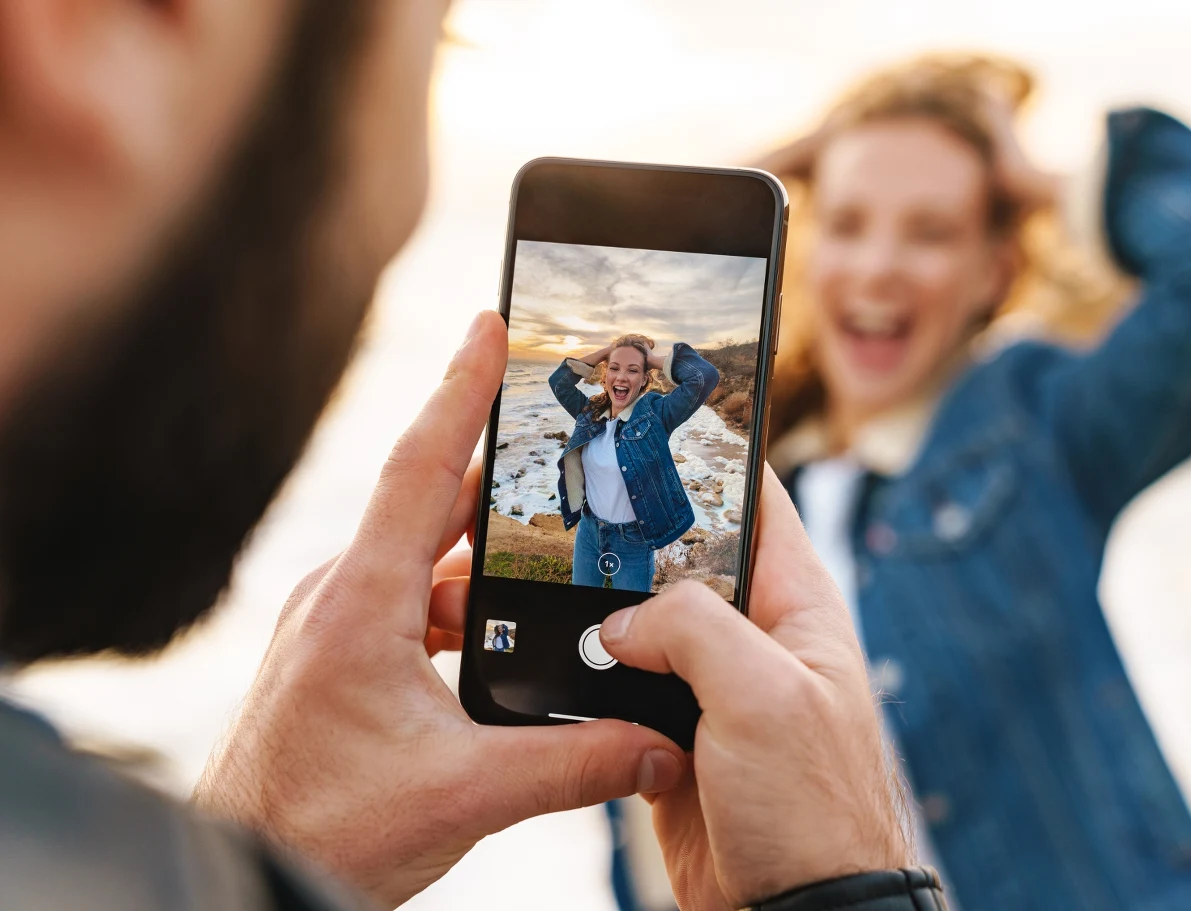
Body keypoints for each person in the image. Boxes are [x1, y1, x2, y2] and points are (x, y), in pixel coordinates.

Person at [0, 2, 943, 910]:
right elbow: (568, 388)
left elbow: (693, 377)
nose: (410, 203)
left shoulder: (659, 408)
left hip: (641, 540)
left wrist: (258, 848)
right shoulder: (587, 415)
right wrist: (854, 892)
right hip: (589, 542)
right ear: (110, 19)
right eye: (440, 31)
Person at [748, 56, 1191, 910]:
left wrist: (1031, 178)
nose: (877, 267)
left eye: (931, 231)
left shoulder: (1039, 425)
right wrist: (755, 174)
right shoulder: (741, 480)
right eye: (850, 221)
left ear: (994, 271)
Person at [549, 334, 720, 592]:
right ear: (605, 375)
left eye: (633, 371)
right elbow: (560, 383)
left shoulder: (657, 415)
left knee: (628, 621)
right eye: (614, 368)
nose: (621, 377)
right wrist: (610, 350)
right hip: (589, 532)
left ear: (644, 380)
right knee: (578, 612)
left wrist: (651, 359)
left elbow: (704, 377)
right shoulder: (590, 414)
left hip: (633, 542)